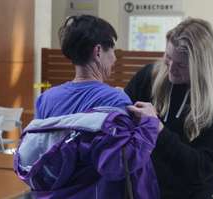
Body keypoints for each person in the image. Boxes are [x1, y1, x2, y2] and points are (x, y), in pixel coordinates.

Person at [25, 15, 160, 198]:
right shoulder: (115, 100)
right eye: (112, 49)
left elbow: (40, 157)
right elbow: (121, 164)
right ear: (98, 52)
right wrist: (150, 123)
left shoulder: (46, 99)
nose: (114, 58)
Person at [125, 17, 213, 199]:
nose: (171, 69)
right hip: (143, 189)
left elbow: (203, 170)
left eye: (181, 65)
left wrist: (158, 131)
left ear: (201, 66)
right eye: (167, 58)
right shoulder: (148, 76)